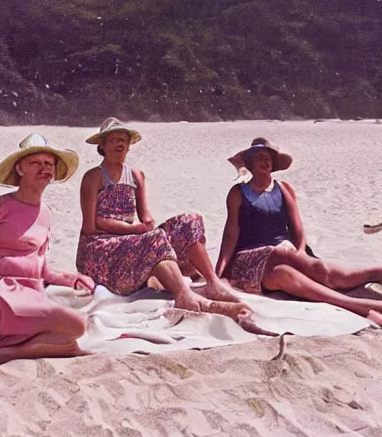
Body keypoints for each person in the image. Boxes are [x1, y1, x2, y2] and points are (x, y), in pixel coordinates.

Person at [76, 117, 250, 320]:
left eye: (124, 139)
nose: (120, 144)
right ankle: (183, 295)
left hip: (129, 241)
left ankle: (213, 283)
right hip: (98, 249)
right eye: (113, 140)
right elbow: (91, 226)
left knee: (189, 221)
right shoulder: (93, 177)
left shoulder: (135, 175)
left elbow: (144, 215)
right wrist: (134, 230)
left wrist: (147, 223)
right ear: (103, 145)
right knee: (155, 238)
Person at [0, 133, 96, 365]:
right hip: (0, 294)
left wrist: (71, 279)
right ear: (20, 169)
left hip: (32, 292)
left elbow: (43, 272)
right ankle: (9, 350)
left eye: (49, 164)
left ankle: (10, 352)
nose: (45, 168)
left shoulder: (46, 213)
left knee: (74, 332)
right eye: (36, 163)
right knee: (77, 326)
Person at [216, 137, 382, 324]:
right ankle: (361, 305)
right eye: (260, 157)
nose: (265, 161)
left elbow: (297, 229)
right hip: (249, 261)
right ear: (250, 164)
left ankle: (376, 274)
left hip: (284, 258)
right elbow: (231, 234)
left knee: (300, 272)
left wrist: (301, 253)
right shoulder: (238, 192)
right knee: (283, 255)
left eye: (269, 157)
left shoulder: (284, 189)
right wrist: (218, 273)